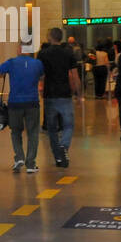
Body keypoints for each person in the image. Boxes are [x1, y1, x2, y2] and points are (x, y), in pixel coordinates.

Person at [0, 44, 45, 173]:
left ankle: (19, 157)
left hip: (15, 103)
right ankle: (31, 164)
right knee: (32, 133)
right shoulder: (37, 63)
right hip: (32, 102)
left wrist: (1, 74)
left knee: (15, 131)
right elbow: (42, 77)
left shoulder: (12, 62)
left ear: (19, 50)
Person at [38, 27, 80, 168]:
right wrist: (78, 94)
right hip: (64, 94)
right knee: (68, 125)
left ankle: (58, 157)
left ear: (50, 37)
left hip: (50, 94)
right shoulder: (68, 53)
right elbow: (74, 76)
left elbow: (41, 75)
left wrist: (39, 87)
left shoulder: (43, 54)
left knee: (52, 128)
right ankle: (64, 146)